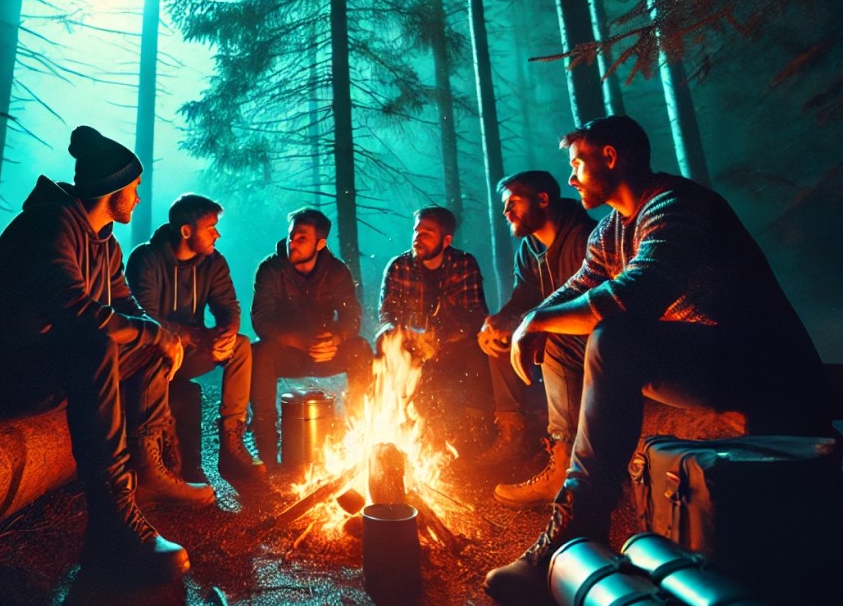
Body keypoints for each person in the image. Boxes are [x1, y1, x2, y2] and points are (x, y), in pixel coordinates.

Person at [483, 115, 829, 606]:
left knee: (614, 335)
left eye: (578, 163)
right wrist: (536, 320)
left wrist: (536, 320)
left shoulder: (678, 205)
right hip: (706, 361)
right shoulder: (609, 230)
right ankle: (568, 470)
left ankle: (574, 527)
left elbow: (635, 294)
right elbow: (579, 288)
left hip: (761, 365)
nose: (572, 179)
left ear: (611, 157)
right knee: (569, 333)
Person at [0, 125, 213, 583]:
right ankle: (112, 526)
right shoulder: (49, 225)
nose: (139, 198)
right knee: (97, 342)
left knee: (142, 347)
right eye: (135, 189)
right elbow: (74, 311)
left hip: (40, 367)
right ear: (113, 190)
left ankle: (147, 471)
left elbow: (125, 306)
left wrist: (161, 337)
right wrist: (150, 333)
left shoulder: (102, 240)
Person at [476, 171, 596, 507]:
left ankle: (562, 460)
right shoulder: (529, 248)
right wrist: (499, 321)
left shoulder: (585, 237)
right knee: (497, 340)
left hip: (595, 338)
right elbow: (523, 298)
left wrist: (526, 323)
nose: (506, 212)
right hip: (545, 328)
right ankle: (513, 432)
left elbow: (586, 304)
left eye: (513, 202)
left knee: (550, 337)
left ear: (542, 200)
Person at [126, 193, 264, 482]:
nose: (217, 233)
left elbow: (227, 305)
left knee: (239, 346)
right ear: (186, 231)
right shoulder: (146, 259)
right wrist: (189, 334)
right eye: (211, 227)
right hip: (151, 356)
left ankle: (231, 447)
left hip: (191, 351)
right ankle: (173, 467)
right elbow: (142, 317)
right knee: (182, 388)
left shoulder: (213, 262)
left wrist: (226, 330)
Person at [248, 208, 373, 467]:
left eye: (301, 238)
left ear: (320, 243)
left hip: (326, 351)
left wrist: (335, 338)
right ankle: (267, 450)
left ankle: (359, 436)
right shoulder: (271, 269)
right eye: (292, 236)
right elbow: (261, 320)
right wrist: (299, 340)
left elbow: (352, 318)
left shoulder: (337, 272)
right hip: (288, 352)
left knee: (360, 349)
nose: (292, 242)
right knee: (258, 353)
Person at [377, 206, 491, 443]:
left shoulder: (464, 264)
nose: (418, 236)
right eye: (417, 231)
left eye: (427, 232)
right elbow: (387, 313)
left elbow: (476, 314)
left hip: (453, 344)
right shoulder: (399, 266)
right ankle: (395, 426)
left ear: (446, 240)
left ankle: (478, 428)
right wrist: (395, 333)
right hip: (411, 347)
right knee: (383, 349)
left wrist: (441, 336)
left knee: (479, 349)